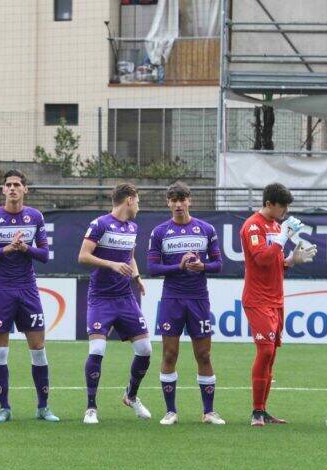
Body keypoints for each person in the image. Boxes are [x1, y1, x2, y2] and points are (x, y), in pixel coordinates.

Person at [0, 170, 57, 423]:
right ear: (2, 190)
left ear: (25, 189)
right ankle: (4, 408)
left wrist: (25, 248)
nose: (12, 188)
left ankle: (43, 407)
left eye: (17, 185)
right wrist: (6, 248)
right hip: (0, 290)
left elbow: (44, 255)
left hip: (27, 289)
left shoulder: (35, 217)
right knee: (0, 353)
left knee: (38, 350)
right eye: (8, 185)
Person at [145, 182, 225, 425]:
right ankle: (171, 411)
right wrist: (177, 266)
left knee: (204, 354)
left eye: (182, 199)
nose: (178, 204)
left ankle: (208, 412)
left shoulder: (206, 229)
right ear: (168, 203)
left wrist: (203, 266)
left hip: (198, 299)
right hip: (172, 299)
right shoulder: (159, 232)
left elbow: (219, 264)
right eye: (173, 199)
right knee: (170, 354)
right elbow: (151, 268)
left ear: (190, 200)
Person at [240, 182, 317, 427]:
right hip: (257, 298)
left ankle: (263, 410)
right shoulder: (253, 225)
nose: (285, 210)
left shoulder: (274, 225)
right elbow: (261, 259)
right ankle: (255, 411)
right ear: (269, 204)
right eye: (282, 205)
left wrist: (291, 261)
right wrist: (284, 237)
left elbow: (273, 261)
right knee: (265, 351)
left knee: (271, 355)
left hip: (276, 298)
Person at [78, 183, 151, 425]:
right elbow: (83, 256)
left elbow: (129, 256)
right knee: (97, 350)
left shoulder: (133, 226)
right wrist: (111, 264)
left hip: (125, 298)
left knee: (145, 350)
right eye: (138, 201)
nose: (139, 207)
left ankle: (130, 396)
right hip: (101, 298)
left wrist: (137, 278)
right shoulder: (100, 224)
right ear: (129, 200)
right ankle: (91, 408)